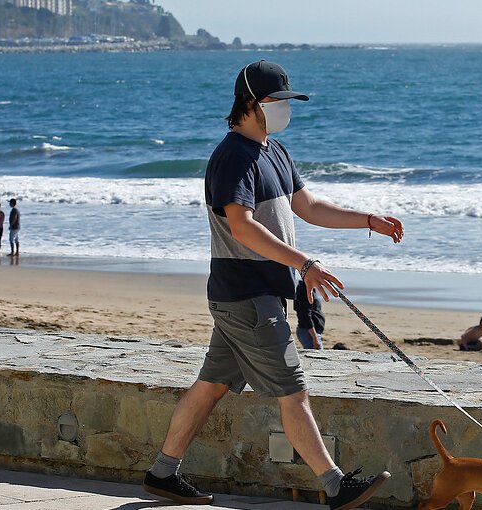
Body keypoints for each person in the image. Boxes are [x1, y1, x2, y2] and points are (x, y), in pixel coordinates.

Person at [142, 60, 404, 510]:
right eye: (277, 101)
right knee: (294, 391)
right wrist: (305, 264)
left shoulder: (274, 151)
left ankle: (162, 473)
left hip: (249, 297)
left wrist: (367, 220)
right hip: (247, 297)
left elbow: (310, 206)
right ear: (250, 104)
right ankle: (336, 486)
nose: (285, 109)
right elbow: (241, 227)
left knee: (210, 385)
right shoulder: (232, 158)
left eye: (287, 101)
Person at [295, 279, 325, 349]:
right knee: (316, 356)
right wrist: (315, 338)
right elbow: (305, 315)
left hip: (310, 331)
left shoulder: (308, 288)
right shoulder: (305, 290)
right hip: (308, 332)